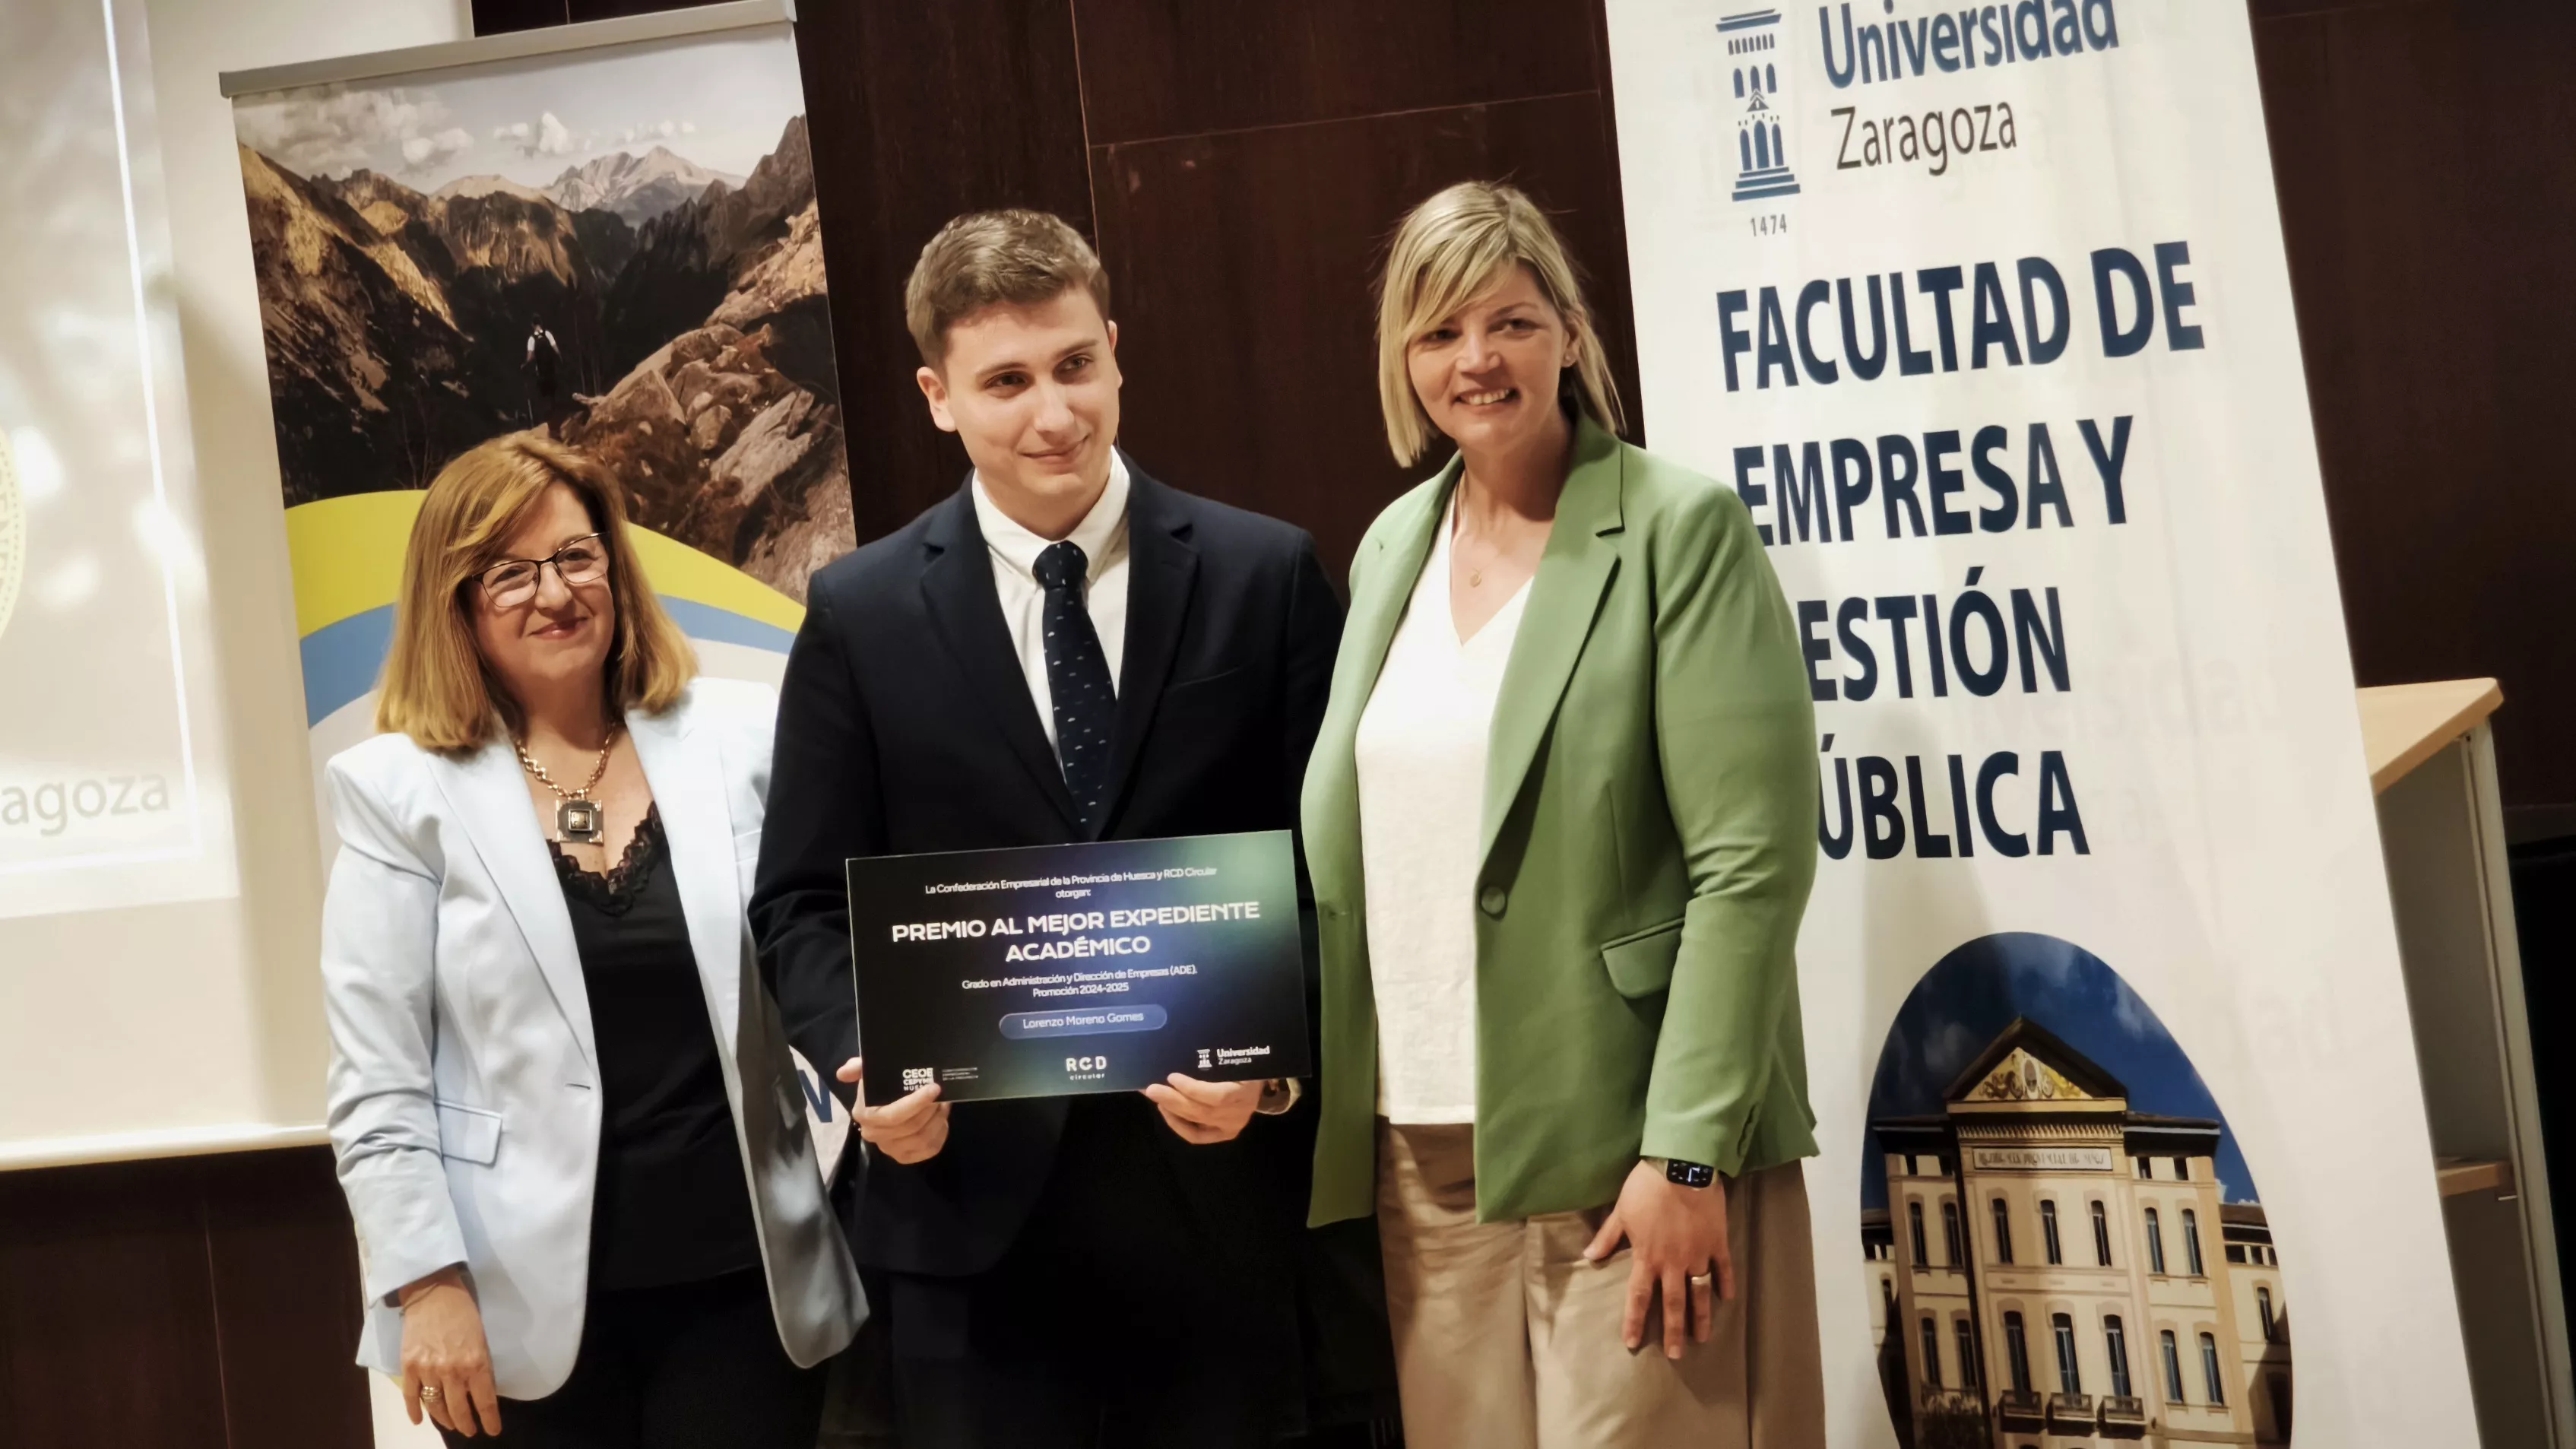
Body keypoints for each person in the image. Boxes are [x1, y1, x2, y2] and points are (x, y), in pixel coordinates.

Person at [750, 209, 1393, 1448]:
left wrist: (1275, 1074)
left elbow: (1340, 877)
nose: (1054, 413)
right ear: (939, 397)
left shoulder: (1263, 575)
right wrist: (864, 1055)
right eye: (1007, 382)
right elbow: (801, 901)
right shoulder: (859, 614)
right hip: (969, 1221)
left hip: (1219, 1210)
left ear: (1115, 352)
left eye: (1075, 365)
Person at [1301, 180, 1827, 1448]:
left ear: (1571, 333)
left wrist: (1689, 1152)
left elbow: (1750, 868)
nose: (1475, 358)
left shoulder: (1679, 528)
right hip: (1423, 1149)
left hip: (1630, 1142)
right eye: (1439, 331)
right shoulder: (1391, 546)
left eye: (1511, 321)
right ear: (1403, 359)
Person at [318, 436, 860, 1445]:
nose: (556, 592)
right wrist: (425, 1283)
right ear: (455, 601)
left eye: (576, 556)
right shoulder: (399, 793)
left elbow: (821, 937)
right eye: (510, 572)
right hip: (512, 1309)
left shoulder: (745, 736)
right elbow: (376, 1078)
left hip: (741, 1287)